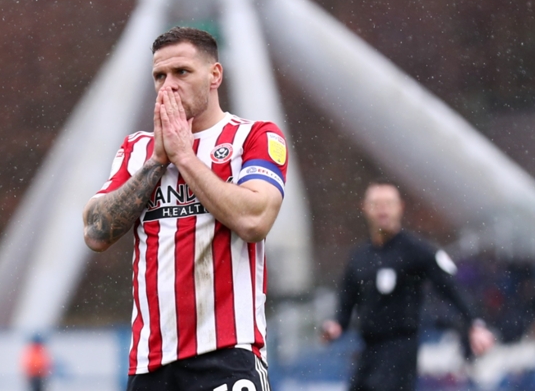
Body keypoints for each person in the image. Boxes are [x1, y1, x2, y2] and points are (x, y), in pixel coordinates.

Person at [82, 26, 288, 391]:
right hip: (150, 364)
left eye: (181, 72)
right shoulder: (137, 150)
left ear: (215, 75)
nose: (168, 86)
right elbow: (95, 232)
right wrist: (158, 162)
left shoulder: (254, 137)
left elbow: (255, 220)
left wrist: (185, 157)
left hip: (226, 355)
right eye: (159, 76)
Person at [321, 179, 495, 391]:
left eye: (388, 203)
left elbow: (450, 287)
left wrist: (475, 324)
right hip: (368, 348)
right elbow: (347, 298)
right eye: (376, 204)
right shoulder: (359, 256)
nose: (382, 210)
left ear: (400, 207)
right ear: (364, 208)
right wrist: (337, 324)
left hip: (400, 347)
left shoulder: (417, 250)